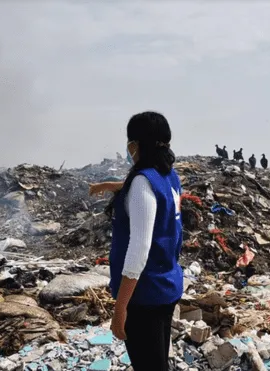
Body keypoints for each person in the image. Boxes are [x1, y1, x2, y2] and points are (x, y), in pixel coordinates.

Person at [94, 111, 183, 371]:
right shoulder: (169, 177)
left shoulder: (143, 184)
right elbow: (149, 196)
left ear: (135, 145)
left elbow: (139, 250)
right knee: (157, 363)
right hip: (168, 285)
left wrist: (120, 308)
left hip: (145, 296)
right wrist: (111, 186)